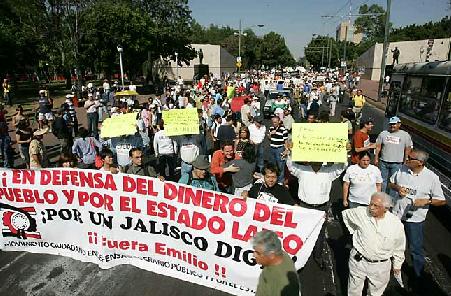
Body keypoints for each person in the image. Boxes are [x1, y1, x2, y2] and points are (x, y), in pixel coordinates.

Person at [389, 148, 446, 287]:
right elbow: (391, 182)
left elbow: (442, 200)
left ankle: (418, 276)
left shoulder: (431, 178)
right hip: (396, 215)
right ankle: (391, 270)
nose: (406, 159)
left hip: (415, 220)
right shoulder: (402, 169)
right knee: (392, 245)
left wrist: (426, 201)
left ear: (420, 163)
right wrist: (397, 188)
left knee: (415, 249)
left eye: (410, 158)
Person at [286, 153, 346, 269]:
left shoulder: (328, 171)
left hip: (321, 207)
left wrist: (345, 153)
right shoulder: (303, 170)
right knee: (303, 232)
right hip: (305, 206)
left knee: (320, 233)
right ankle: (300, 256)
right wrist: (290, 152)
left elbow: (341, 167)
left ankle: (318, 256)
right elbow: (291, 166)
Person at [342, 192, 405, 296]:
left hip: (380, 266)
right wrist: (353, 231)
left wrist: (397, 265)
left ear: (386, 208)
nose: (371, 207)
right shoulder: (361, 213)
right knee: (353, 290)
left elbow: (399, 246)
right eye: (371, 204)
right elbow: (346, 215)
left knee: (375, 293)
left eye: (376, 205)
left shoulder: (396, 225)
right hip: (358, 261)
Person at [252, 230, 301, 296]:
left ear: (271, 255)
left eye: (258, 253)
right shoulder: (279, 255)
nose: (254, 255)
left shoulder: (283, 282)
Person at [374, 116, 412, 192]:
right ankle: (382, 197)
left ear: (399, 124)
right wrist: (376, 158)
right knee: (382, 181)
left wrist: (405, 160)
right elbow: (378, 147)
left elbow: (407, 149)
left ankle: (392, 200)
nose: (392, 126)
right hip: (384, 162)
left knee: (394, 182)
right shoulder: (383, 134)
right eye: (391, 124)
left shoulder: (405, 135)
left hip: (397, 163)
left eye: (394, 124)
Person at [268, 116, 288, 184]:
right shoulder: (271, 128)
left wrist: (286, 150)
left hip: (280, 149)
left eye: (275, 122)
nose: (274, 123)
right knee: (272, 166)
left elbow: (286, 141)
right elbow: (270, 138)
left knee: (280, 166)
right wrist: (271, 134)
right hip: (272, 148)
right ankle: (273, 180)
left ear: (279, 121)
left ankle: (280, 182)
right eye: (273, 122)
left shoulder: (283, 129)